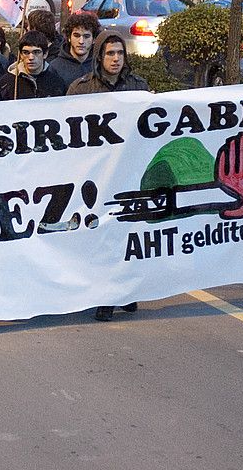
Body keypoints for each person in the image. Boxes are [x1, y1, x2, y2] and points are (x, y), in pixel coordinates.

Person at [68, 32, 148, 322]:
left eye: (120, 53)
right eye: (110, 53)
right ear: (99, 56)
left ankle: (124, 291)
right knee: (102, 234)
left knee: (127, 232)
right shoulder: (81, 89)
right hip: (96, 175)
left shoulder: (138, 87)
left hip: (129, 172)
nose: (116, 59)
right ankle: (106, 294)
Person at [0, 30, 68, 100]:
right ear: (20, 55)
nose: (31, 57)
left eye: (36, 52)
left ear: (45, 54)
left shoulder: (57, 83)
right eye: (26, 52)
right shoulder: (6, 82)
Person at [52, 11, 100, 90]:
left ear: (94, 39)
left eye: (86, 36)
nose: (81, 41)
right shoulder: (55, 67)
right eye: (76, 36)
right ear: (69, 37)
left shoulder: (100, 64)